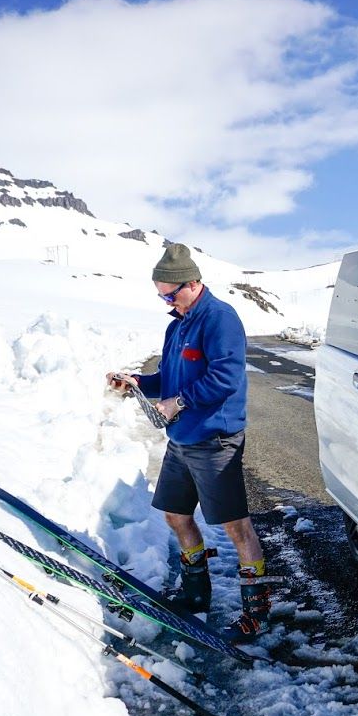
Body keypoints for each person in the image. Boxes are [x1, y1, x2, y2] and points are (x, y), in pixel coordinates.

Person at [106, 243, 269, 643]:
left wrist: (179, 401)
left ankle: (255, 613)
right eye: (160, 294)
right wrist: (138, 382)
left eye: (170, 293)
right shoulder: (176, 325)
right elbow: (169, 375)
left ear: (192, 283)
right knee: (175, 515)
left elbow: (226, 378)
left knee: (235, 526)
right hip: (181, 439)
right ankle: (196, 592)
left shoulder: (219, 319)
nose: (166, 301)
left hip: (215, 440)